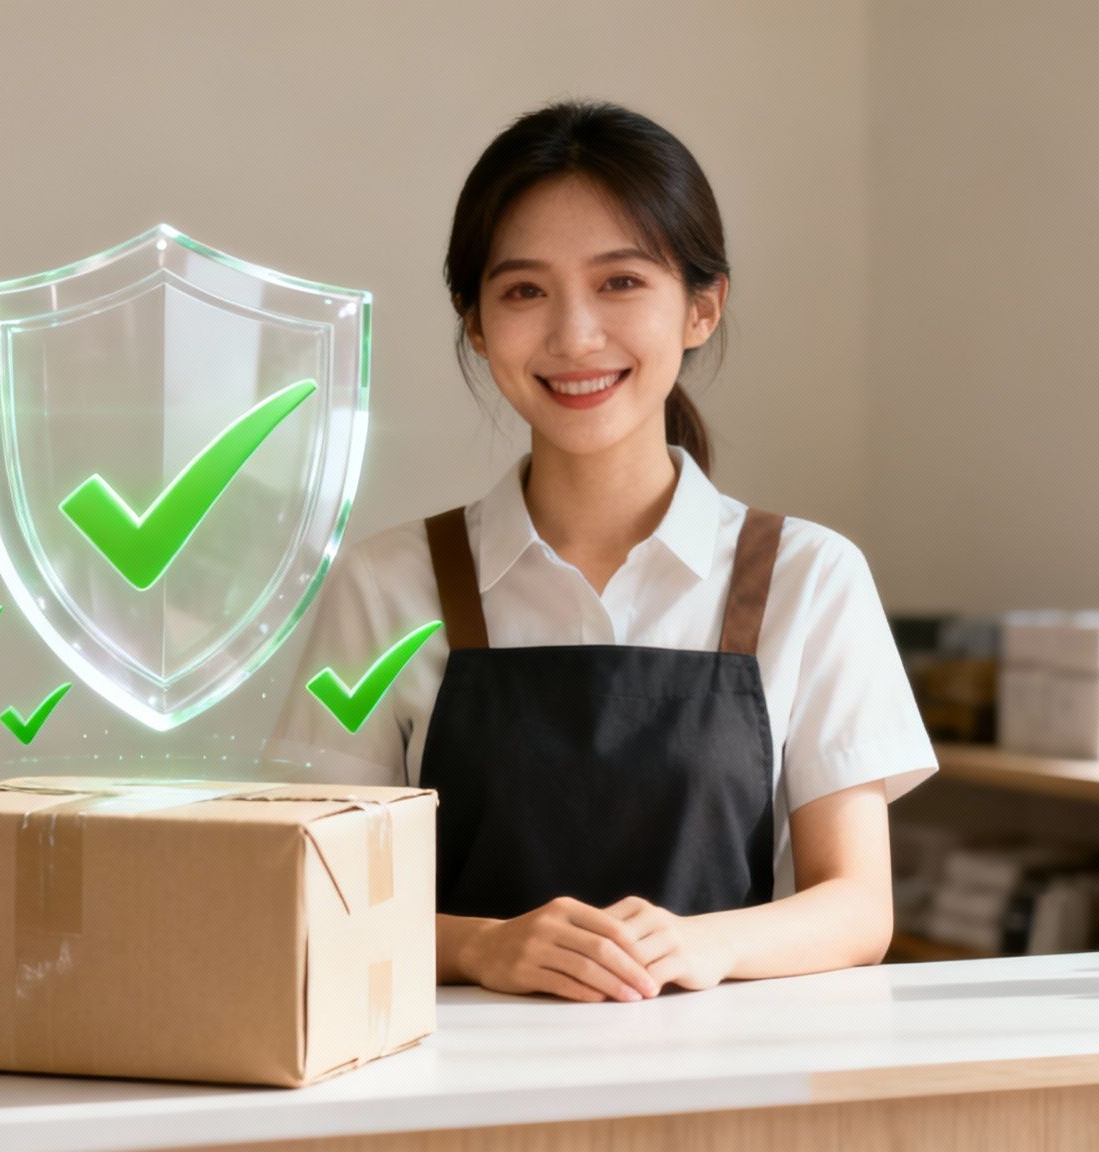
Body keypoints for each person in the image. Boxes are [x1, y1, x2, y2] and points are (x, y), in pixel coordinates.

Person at [278, 100, 935, 1003]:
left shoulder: (808, 577)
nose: (574, 336)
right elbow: (308, 894)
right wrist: (482, 948)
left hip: (725, 1093)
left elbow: (859, 908)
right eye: (523, 291)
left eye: (620, 282)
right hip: (449, 1101)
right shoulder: (385, 587)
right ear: (475, 324)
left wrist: (700, 945)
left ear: (702, 307)